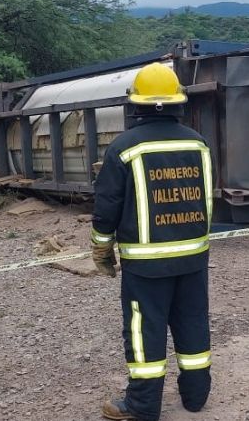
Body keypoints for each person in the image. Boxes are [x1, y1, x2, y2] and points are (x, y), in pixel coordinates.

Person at [90, 62, 214, 420]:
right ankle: (196, 396)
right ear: (177, 102)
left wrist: (101, 247)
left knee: (145, 330)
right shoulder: (198, 143)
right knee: (193, 321)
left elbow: (107, 207)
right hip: (193, 258)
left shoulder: (124, 148)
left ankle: (143, 406)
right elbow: (206, 199)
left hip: (145, 267)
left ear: (136, 105)